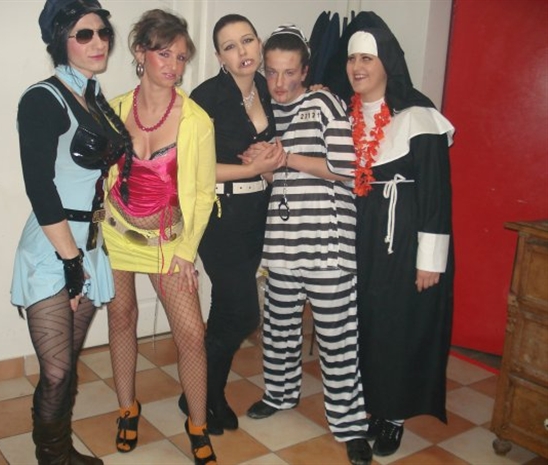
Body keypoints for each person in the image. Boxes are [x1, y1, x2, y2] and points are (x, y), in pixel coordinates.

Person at [244, 25, 372, 465]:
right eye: (272, 72)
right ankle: (279, 395)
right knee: (279, 329)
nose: (279, 82)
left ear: (305, 71)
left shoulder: (324, 104)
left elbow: (347, 170)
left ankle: (350, 425)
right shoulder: (266, 112)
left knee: (338, 340)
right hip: (282, 241)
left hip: (328, 247)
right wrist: (263, 165)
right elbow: (274, 177)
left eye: (289, 72)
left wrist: (285, 157)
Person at [10, 1, 126, 463]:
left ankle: (59, 449)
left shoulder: (93, 96)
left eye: (103, 33)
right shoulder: (43, 99)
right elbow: (40, 189)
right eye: (84, 34)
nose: (98, 43)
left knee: (65, 364)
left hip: (90, 245)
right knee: (57, 370)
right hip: (54, 245)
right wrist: (71, 262)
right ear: (61, 40)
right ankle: (51, 455)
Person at [102, 9, 217, 465]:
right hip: (115, 234)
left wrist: (187, 252)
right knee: (121, 318)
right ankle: (127, 409)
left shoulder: (196, 120)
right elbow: (101, 175)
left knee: (191, 334)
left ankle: (198, 424)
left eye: (181, 57)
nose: (173, 65)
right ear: (140, 53)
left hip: (168, 242)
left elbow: (203, 195)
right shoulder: (114, 110)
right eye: (164, 53)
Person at [338, 11, 455, 457]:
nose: (358, 67)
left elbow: (436, 192)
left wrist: (430, 260)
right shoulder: (347, 114)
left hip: (402, 238)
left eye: (367, 58)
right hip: (361, 235)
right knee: (366, 320)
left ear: (387, 62)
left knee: (397, 323)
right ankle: (373, 403)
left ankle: (394, 415)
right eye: (353, 59)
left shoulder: (418, 115)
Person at [178, 14, 284, 434]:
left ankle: (199, 393)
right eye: (230, 46)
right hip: (220, 215)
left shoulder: (268, 89)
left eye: (248, 40)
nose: (242, 51)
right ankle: (206, 394)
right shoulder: (206, 98)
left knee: (225, 309)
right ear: (219, 56)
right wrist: (251, 168)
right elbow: (192, 168)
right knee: (242, 314)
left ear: (260, 43)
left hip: (258, 211)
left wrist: (269, 163)